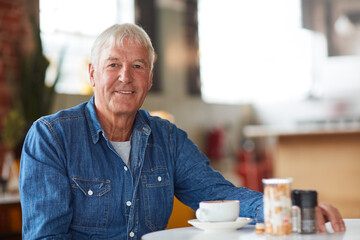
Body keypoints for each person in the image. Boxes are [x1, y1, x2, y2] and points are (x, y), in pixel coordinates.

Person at [19, 23, 345, 240]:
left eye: (138, 66)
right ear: (93, 73)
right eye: (113, 64)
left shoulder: (168, 139)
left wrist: (286, 208)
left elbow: (219, 194)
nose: (125, 77)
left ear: (149, 78)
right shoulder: (51, 137)